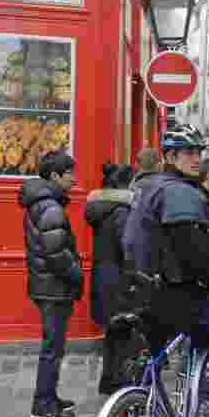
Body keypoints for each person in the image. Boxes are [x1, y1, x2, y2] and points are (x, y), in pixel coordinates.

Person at [122, 124, 209, 417]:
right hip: (175, 293)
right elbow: (192, 249)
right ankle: (206, 411)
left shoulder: (147, 188)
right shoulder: (180, 192)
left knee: (154, 361)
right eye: (188, 152)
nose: (195, 158)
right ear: (170, 155)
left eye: (198, 152)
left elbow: (131, 240)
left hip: (142, 290)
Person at [20, 151, 84, 417]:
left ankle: (48, 396)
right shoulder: (51, 208)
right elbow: (55, 253)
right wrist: (76, 274)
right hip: (53, 287)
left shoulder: (45, 203)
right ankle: (43, 405)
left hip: (46, 285)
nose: (74, 178)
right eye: (69, 173)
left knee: (54, 346)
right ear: (55, 176)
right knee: (52, 347)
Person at [85, 162, 135, 395]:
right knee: (124, 333)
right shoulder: (122, 211)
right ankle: (121, 383)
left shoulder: (101, 208)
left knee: (112, 332)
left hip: (102, 275)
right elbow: (128, 247)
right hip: (119, 278)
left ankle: (108, 380)